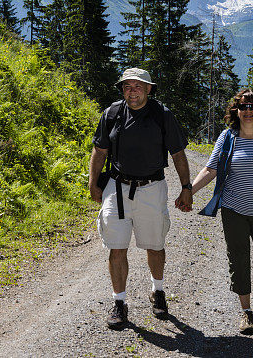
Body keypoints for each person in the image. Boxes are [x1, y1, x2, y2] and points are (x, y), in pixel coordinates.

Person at [88, 67, 193, 330]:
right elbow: (99, 151)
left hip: (152, 187)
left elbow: (178, 154)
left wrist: (186, 187)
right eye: (126, 86)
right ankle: (119, 303)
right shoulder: (112, 113)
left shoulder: (162, 115)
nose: (131, 91)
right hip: (117, 186)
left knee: (154, 244)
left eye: (137, 86)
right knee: (117, 244)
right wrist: (93, 183)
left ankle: (158, 291)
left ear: (148, 89)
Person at [187, 89, 253, 334]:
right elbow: (210, 169)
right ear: (236, 111)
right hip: (233, 210)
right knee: (238, 260)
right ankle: (246, 313)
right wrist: (188, 191)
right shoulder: (227, 137)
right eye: (243, 107)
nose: (248, 111)